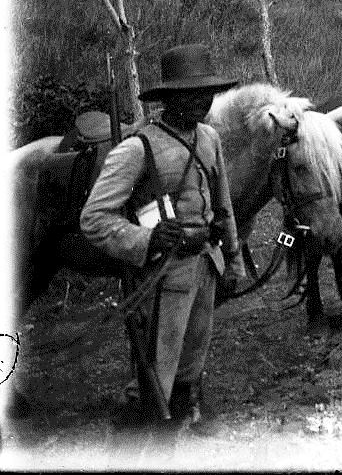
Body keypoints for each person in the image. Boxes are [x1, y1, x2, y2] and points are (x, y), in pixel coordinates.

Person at [80, 44, 247, 430]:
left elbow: (223, 207)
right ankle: (141, 437)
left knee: (192, 361)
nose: (198, 103)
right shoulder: (138, 148)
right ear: (168, 98)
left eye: (205, 94)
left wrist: (233, 260)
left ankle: (184, 421)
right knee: (157, 370)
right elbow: (94, 218)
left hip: (206, 263)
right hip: (163, 274)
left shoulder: (209, 138)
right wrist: (148, 240)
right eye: (186, 94)